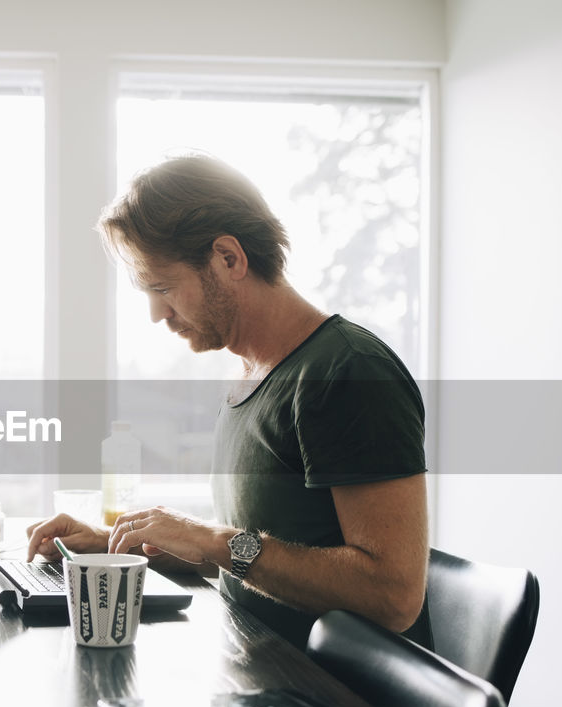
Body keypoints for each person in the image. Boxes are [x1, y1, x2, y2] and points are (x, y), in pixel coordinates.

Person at [26, 153, 431, 648]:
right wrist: (117, 548)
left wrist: (212, 538)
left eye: (162, 287)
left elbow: (393, 597)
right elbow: (256, 560)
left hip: (342, 705)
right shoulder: (248, 378)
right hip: (258, 670)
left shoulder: (348, 372)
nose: (157, 313)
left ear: (228, 258)